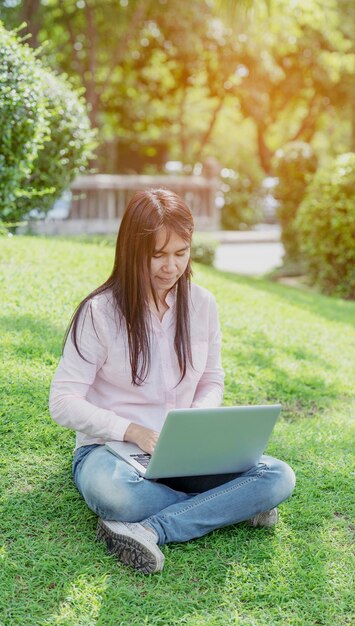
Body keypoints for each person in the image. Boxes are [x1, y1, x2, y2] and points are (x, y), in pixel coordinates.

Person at [49, 188, 296, 575]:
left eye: (181, 253)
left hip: (184, 453)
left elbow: (212, 379)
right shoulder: (99, 312)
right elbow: (62, 400)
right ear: (133, 251)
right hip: (111, 453)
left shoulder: (202, 305)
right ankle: (231, 505)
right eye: (158, 255)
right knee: (120, 498)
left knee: (279, 476)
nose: (171, 267)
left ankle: (153, 529)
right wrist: (131, 430)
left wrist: (198, 419)